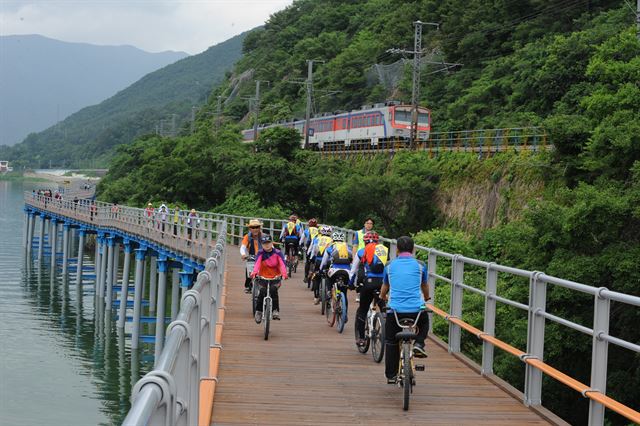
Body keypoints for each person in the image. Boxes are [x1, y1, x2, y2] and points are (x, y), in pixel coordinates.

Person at [380, 236, 430, 384]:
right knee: (424, 322)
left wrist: (383, 296)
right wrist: (426, 298)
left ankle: (391, 374)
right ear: (413, 250)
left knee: (390, 340)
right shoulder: (421, 265)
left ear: (397, 250)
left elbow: (385, 286)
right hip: (416, 310)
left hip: (395, 310)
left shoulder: (389, 266)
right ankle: (419, 344)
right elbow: (424, 285)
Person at [350, 231, 389, 347]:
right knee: (384, 309)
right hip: (383, 284)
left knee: (363, 309)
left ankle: (361, 338)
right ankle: (387, 334)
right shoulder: (385, 250)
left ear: (365, 241)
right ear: (378, 241)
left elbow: (354, 270)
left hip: (368, 283)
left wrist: (351, 283)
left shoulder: (361, 251)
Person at [250, 234, 287, 323]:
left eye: (268, 243)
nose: (267, 245)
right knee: (262, 292)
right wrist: (254, 272)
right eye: (264, 243)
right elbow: (257, 263)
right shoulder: (260, 253)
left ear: (272, 243)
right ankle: (258, 311)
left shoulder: (278, 253)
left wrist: (284, 273)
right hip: (262, 277)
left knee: (274, 290)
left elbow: (282, 264)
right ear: (262, 244)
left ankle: (275, 310)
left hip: (275, 277)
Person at [319, 230, 353, 309]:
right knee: (344, 292)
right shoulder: (348, 247)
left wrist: (321, 269)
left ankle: (328, 292)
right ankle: (345, 314)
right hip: (347, 271)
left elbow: (324, 261)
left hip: (334, 270)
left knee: (328, 277)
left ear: (333, 239)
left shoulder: (330, 247)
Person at [309, 225, 333, 304]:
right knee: (330, 277)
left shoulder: (317, 239)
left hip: (318, 260)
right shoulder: (332, 240)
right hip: (328, 262)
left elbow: (313, 250)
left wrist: (311, 258)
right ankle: (330, 293)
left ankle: (316, 296)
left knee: (316, 277)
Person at [240, 219, 264, 293]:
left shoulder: (264, 236)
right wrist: (243, 254)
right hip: (252, 256)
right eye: (253, 227)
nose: (255, 229)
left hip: (263, 256)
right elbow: (243, 247)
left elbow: (271, 246)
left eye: (257, 227)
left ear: (260, 228)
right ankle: (248, 286)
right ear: (250, 228)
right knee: (249, 271)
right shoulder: (247, 237)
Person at [352, 217, 376, 286]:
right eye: (367, 223)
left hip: (371, 256)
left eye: (371, 223)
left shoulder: (374, 234)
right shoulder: (358, 233)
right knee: (357, 272)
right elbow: (355, 246)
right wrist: (354, 257)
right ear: (364, 224)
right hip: (360, 256)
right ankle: (354, 285)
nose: (369, 225)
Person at [301, 218, 319, 283]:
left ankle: (306, 276)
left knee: (308, 262)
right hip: (318, 248)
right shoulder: (319, 230)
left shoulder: (307, 230)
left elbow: (302, 240)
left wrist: (301, 245)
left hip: (309, 247)